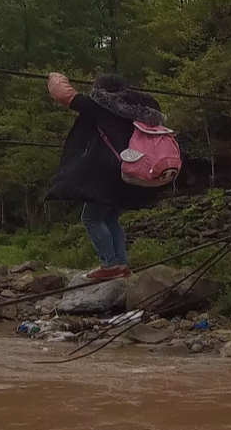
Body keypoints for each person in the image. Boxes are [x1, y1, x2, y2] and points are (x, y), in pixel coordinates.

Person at [46, 71, 170, 280]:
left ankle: (109, 265)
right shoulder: (145, 109)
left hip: (108, 172)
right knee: (111, 218)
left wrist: (54, 76)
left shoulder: (102, 105)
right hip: (133, 172)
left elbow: (65, 95)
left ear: (101, 90)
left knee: (91, 218)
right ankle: (121, 265)